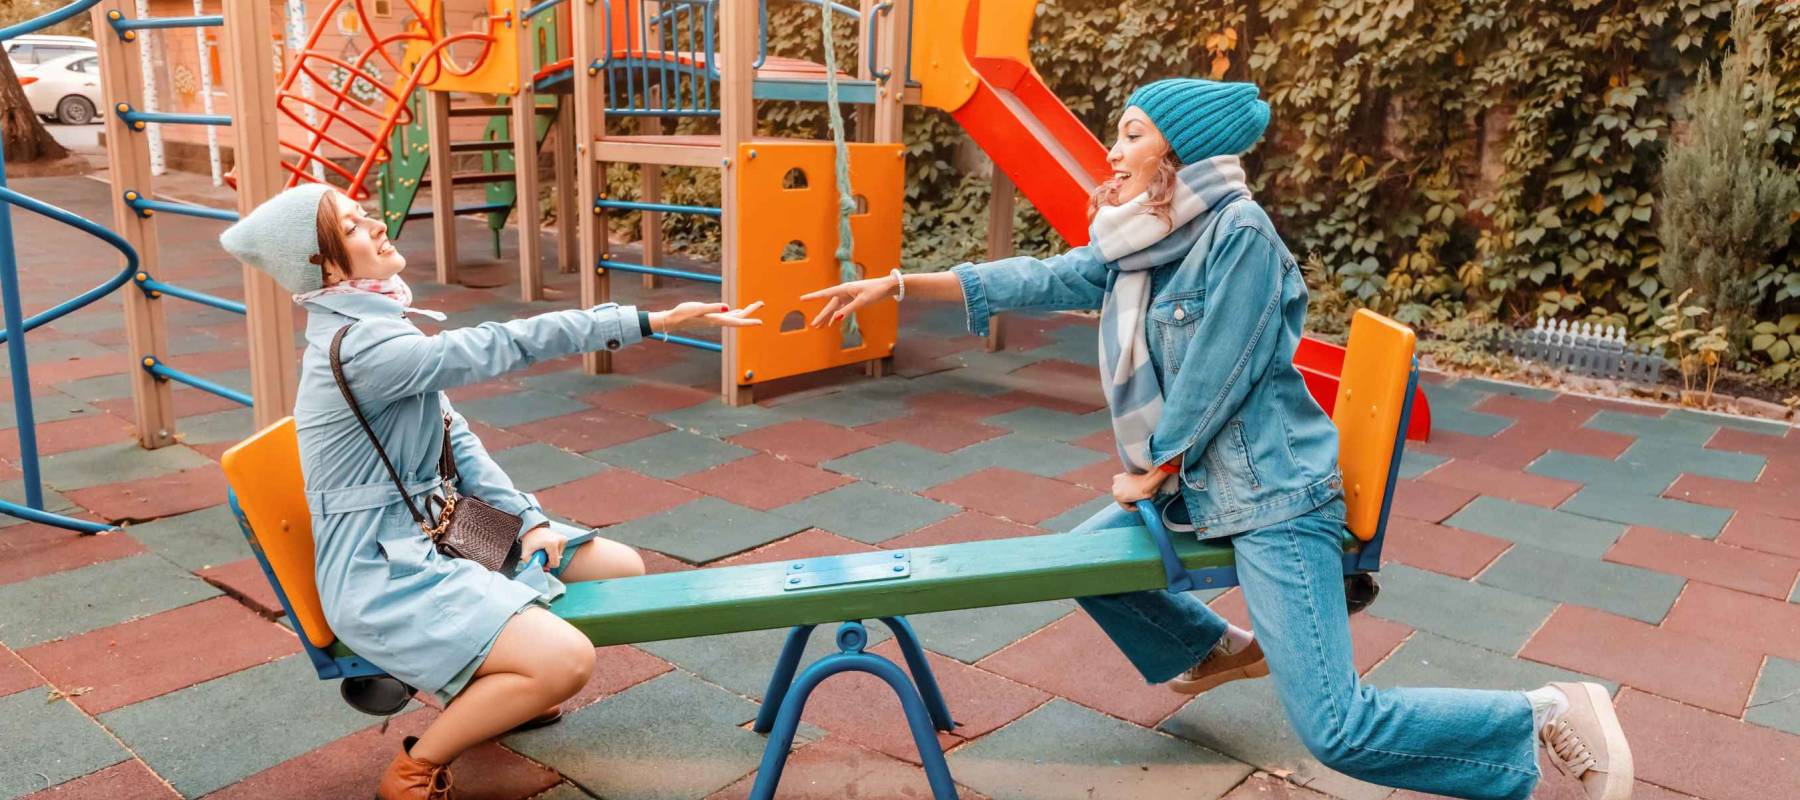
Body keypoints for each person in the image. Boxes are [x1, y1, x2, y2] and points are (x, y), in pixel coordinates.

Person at [801, 78, 1633, 800]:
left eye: (1130, 132)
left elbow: (1218, 373)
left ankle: (1548, 713)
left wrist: (1154, 462)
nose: (1112, 150)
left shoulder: (1240, 235)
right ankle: (1218, 647)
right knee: (1079, 564)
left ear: (1181, 148)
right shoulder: (1150, 234)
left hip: (1273, 497)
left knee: (1337, 729)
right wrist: (904, 282)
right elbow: (1052, 274)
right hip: (1206, 489)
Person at [219, 184, 763, 800]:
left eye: (363, 212)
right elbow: (507, 343)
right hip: (383, 569)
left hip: (442, 529)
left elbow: (459, 439)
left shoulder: (378, 322)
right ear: (322, 263)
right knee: (567, 662)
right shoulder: (367, 348)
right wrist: (648, 320)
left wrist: (528, 518)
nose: (374, 224)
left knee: (619, 568)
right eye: (351, 225)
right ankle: (416, 765)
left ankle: (502, 684)